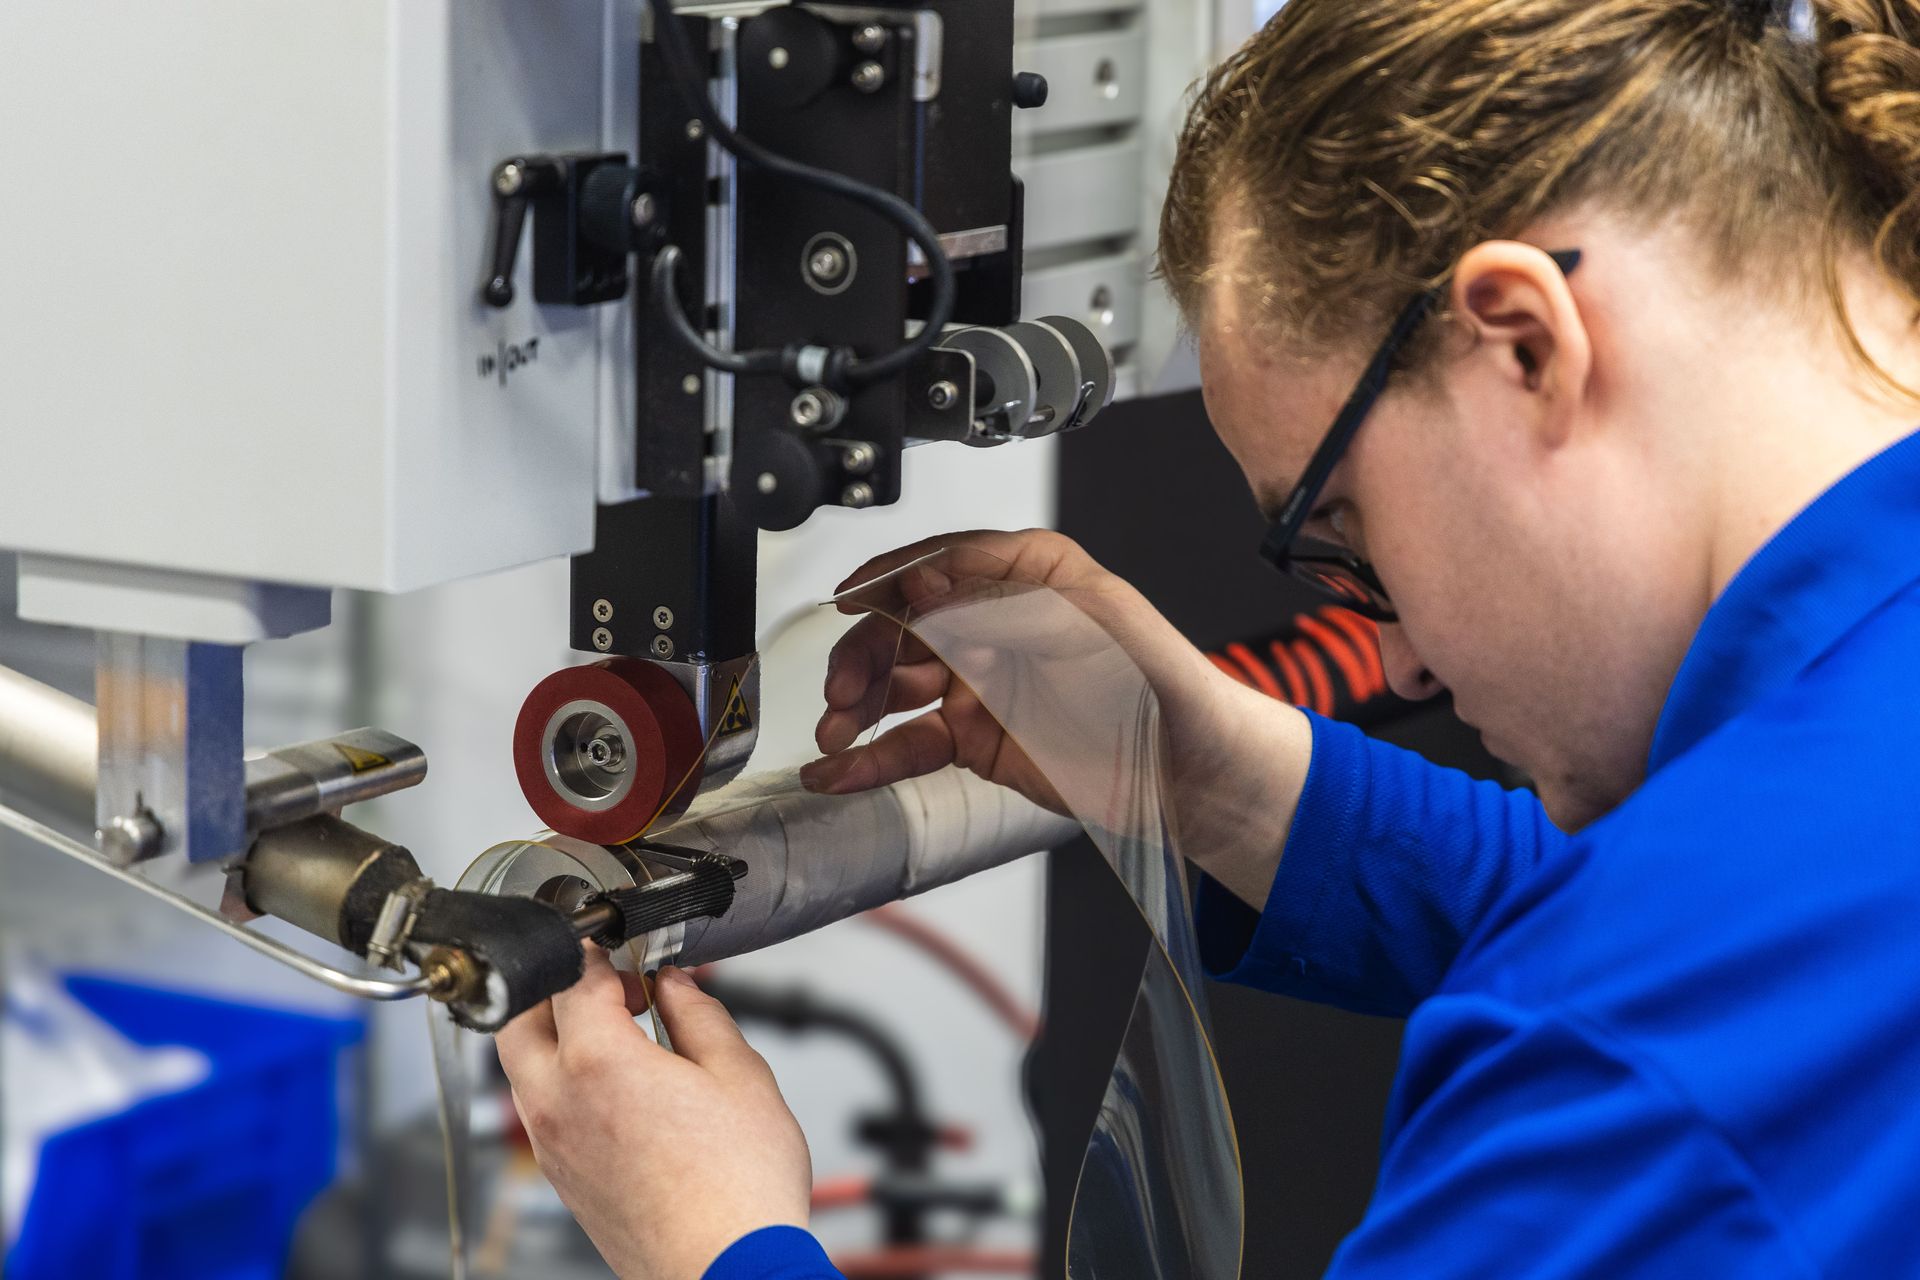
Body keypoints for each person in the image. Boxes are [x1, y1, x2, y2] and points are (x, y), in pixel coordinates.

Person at [495, 0, 1920, 1273]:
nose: (1401, 663)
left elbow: (1652, 988)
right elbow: (1702, 932)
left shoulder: (1641, 1079)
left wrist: (720, 1250)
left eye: (1342, 533)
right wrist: (1214, 776)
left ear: (1525, 345)